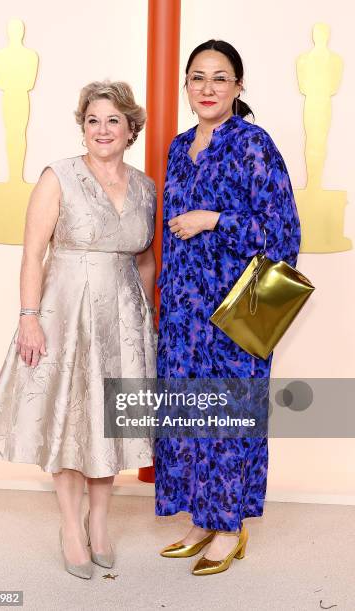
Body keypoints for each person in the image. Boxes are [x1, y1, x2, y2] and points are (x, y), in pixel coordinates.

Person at [0, 81, 157, 579]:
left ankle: (99, 523)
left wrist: (147, 323)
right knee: (70, 420)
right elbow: (33, 252)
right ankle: (69, 527)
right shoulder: (59, 177)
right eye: (93, 120)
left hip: (124, 321)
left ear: (130, 129)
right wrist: (28, 317)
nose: (102, 129)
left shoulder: (145, 186)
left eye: (113, 120)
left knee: (109, 424)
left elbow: (145, 260)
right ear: (83, 126)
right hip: (66, 314)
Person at [154, 40, 301, 576]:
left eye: (220, 78)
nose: (208, 88)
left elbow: (283, 233)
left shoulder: (253, 145)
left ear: (239, 87)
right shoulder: (177, 145)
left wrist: (213, 218)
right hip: (183, 308)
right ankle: (202, 517)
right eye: (197, 77)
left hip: (237, 306)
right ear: (186, 86)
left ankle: (231, 526)